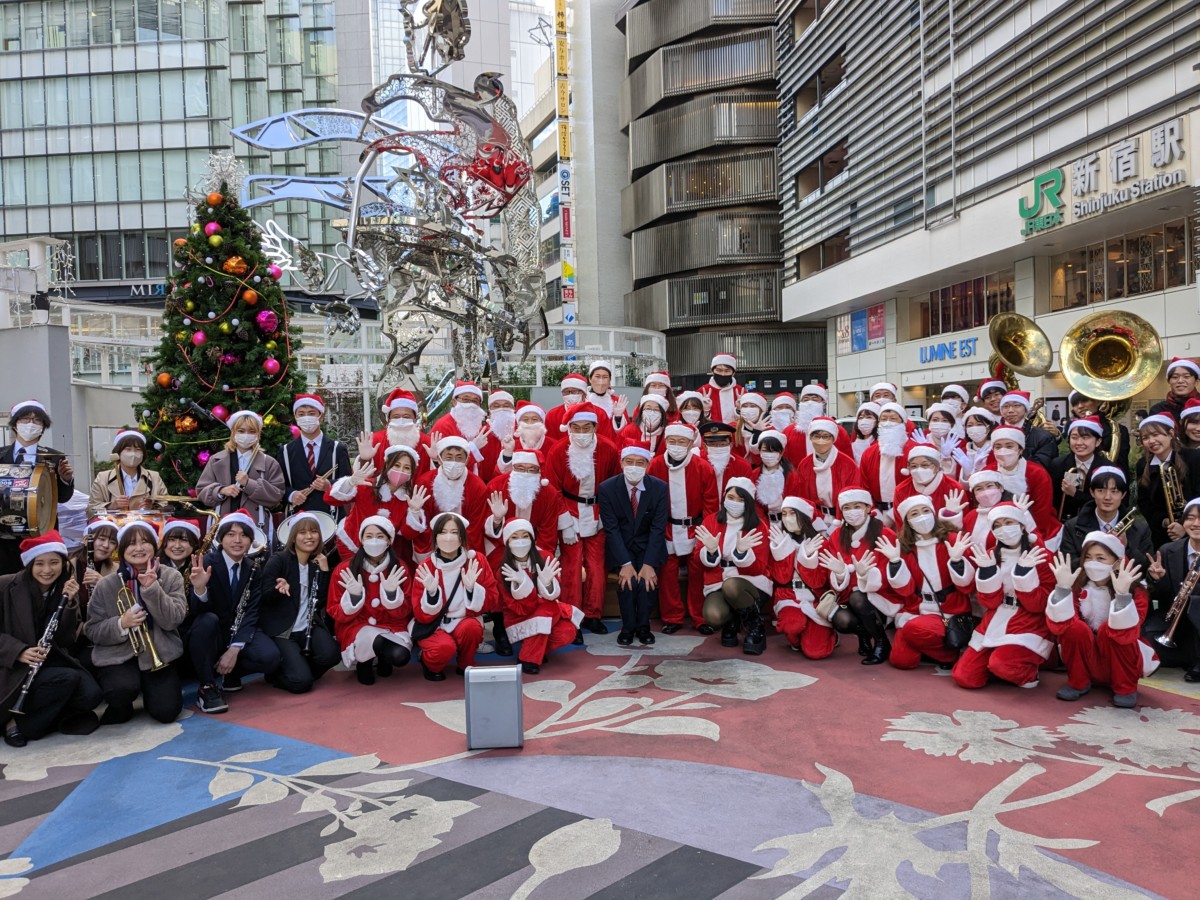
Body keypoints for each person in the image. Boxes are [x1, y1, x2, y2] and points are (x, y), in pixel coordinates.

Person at [0, 531, 99, 746]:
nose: (47, 570)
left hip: (47, 661)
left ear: (63, 563)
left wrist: (69, 604)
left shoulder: (64, 588)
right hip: (11, 666)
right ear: (29, 565)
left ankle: (31, 714)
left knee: (91, 695)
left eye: (54, 563)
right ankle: (15, 724)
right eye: (39, 564)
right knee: (67, 679)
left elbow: (65, 640)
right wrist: (18, 651)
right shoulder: (5, 585)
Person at [85, 520, 187, 724]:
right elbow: (92, 629)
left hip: (159, 653)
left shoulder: (171, 576)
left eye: (144, 542)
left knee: (167, 712)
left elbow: (173, 620)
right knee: (119, 691)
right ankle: (122, 703)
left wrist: (152, 589)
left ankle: (151, 693)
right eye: (131, 543)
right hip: (118, 654)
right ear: (122, 549)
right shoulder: (106, 584)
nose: (138, 548)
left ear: (154, 546)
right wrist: (121, 623)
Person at [953, 502, 1056, 690]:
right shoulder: (991, 555)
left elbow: (1038, 605)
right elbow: (989, 603)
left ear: (1022, 526)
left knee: (1001, 664)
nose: (1003, 529)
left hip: (1028, 621)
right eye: (997, 525)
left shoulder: (1041, 555)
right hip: (996, 618)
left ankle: (1026, 671)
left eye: (1008, 522)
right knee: (964, 677)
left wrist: (1024, 574)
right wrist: (987, 572)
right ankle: (997, 665)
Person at [1047, 534, 1158, 707]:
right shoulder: (1078, 586)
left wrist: (1122, 595)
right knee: (1076, 629)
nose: (1093, 563)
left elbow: (1130, 632)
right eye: (1088, 557)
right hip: (1088, 658)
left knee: (1109, 631)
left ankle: (1125, 688)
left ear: (1117, 562)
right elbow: (1061, 626)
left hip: (1121, 659)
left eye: (1100, 558)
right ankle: (1078, 682)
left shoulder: (1137, 591)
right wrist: (1062, 589)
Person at [188, 508, 280, 714]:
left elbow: (251, 610)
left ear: (251, 540)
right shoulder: (207, 562)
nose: (237, 540)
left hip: (235, 632)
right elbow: (197, 612)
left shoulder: (253, 567)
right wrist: (200, 589)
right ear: (221, 538)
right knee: (207, 621)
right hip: (211, 632)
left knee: (270, 657)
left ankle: (231, 671)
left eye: (244, 535)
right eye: (231, 534)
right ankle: (207, 686)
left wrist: (234, 649)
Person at [877, 495, 975, 671]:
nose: (921, 517)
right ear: (907, 521)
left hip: (949, 609)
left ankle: (947, 655)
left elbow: (966, 586)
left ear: (933, 513)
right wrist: (895, 562)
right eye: (914, 514)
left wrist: (957, 561)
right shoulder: (905, 547)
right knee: (901, 661)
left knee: (912, 629)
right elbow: (905, 590)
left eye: (925, 511)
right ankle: (929, 645)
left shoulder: (951, 540)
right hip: (917, 608)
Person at [545, 404, 619, 635]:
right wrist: (564, 521)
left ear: (595, 427)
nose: (581, 432)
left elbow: (615, 483)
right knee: (572, 566)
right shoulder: (558, 450)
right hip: (569, 511)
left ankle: (593, 615)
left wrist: (607, 515)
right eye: (576, 428)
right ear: (569, 428)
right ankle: (572, 616)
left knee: (597, 566)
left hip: (598, 513)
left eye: (586, 427)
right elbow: (552, 489)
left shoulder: (608, 448)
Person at [816, 488, 902, 665]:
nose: (852, 511)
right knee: (841, 620)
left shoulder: (885, 534)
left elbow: (891, 577)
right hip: (848, 597)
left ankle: (881, 642)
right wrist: (840, 573)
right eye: (847, 508)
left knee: (858, 597)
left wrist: (866, 575)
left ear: (868, 507)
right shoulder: (837, 536)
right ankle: (864, 634)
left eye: (857, 506)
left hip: (880, 598)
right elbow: (835, 578)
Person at [259, 512, 341, 693]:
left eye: (314, 531)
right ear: (293, 537)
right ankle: (280, 675)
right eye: (302, 532)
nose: (309, 536)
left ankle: (300, 670)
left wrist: (325, 571)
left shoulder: (317, 563)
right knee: (301, 684)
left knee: (332, 655)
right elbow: (264, 597)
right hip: (283, 630)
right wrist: (278, 590)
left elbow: (320, 602)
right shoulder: (279, 559)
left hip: (307, 626)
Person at [648, 425, 718, 635]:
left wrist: (706, 532)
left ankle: (700, 617)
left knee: (698, 574)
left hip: (696, 529)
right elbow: (650, 500)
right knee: (667, 574)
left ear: (689, 444)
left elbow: (711, 504)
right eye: (672, 441)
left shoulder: (703, 467)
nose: (676, 446)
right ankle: (672, 617)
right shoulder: (656, 465)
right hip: (667, 528)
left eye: (681, 442)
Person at [410, 513, 498, 680]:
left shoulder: (476, 560)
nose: (448, 537)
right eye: (443, 532)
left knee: (472, 628)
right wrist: (432, 595)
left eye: (454, 532)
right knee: (444, 648)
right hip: (434, 625)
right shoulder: (426, 567)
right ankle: (429, 663)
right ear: (435, 537)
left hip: (464, 621)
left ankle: (466, 664)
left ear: (462, 537)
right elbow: (420, 614)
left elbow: (492, 600)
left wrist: (473, 589)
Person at [328, 516, 412, 685]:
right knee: (367, 676)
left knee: (400, 656)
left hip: (391, 625)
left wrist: (391, 596)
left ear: (389, 541)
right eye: (369, 536)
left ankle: (383, 657)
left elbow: (407, 610)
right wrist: (353, 598)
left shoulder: (399, 568)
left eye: (380, 536)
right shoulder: (345, 569)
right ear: (361, 539)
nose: (374, 541)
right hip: (356, 626)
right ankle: (364, 662)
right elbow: (333, 610)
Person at [598, 446, 668, 646]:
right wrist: (625, 563)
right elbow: (611, 529)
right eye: (629, 462)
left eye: (640, 463)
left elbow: (658, 528)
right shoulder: (607, 488)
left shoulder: (659, 488)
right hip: (621, 546)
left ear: (647, 465)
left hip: (649, 547)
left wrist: (649, 563)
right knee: (627, 582)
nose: (634, 466)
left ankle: (643, 626)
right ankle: (628, 627)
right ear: (621, 463)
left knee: (647, 582)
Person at [693, 477, 770, 653]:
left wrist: (741, 553)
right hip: (718, 581)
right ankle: (732, 621)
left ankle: (755, 626)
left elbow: (759, 568)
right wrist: (710, 551)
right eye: (731, 497)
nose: (735, 503)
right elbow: (698, 561)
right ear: (724, 497)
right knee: (713, 615)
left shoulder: (758, 526)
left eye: (741, 500)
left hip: (750, 584)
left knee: (732, 585)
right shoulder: (711, 521)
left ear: (748, 503)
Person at [0, 400, 76, 576]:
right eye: (25, 419)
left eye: (36, 420)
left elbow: (62, 498)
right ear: (15, 424)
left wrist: (66, 479)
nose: (30, 424)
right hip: (4, 536)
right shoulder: (1, 455)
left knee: (41, 580)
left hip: (41, 532)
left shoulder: (55, 457)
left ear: (43, 427)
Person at [496, 518, 577, 674]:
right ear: (507, 542)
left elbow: (554, 595)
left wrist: (547, 584)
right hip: (519, 617)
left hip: (546, 614)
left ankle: (536, 649)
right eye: (514, 537)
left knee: (567, 631)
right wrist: (524, 585)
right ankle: (527, 658)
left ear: (532, 538)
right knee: (547, 610)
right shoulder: (503, 571)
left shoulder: (545, 557)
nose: (521, 541)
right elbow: (518, 609)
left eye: (525, 536)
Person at [327, 445, 428, 566]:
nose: (401, 471)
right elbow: (330, 499)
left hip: (383, 551)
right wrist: (350, 482)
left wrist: (415, 511)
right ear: (387, 465)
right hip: (351, 544)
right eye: (396, 465)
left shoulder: (409, 499)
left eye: (406, 468)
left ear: (412, 472)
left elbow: (408, 534)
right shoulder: (367, 485)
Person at [195, 410, 286, 538]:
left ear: (258, 434)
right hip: (222, 526)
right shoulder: (216, 460)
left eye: (252, 431)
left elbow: (277, 495)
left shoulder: (269, 463)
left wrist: (249, 484)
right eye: (241, 431)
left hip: (256, 527)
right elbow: (201, 490)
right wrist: (221, 491)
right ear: (233, 432)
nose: (246, 435)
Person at [767, 498, 833, 658]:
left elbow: (818, 582)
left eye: (792, 513)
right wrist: (783, 550)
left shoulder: (820, 542)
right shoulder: (779, 541)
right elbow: (781, 579)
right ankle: (797, 640)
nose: (787, 518)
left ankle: (825, 635)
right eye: (784, 514)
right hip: (788, 595)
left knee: (816, 652)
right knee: (793, 624)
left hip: (814, 598)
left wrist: (806, 557)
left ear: (804, 516)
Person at [1058, 467, 1153, 576]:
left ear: (1123, 495)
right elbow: (1068, 566)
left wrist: (1127, 546)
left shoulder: (1140, 528)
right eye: (1101, 491)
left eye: (1114, 491)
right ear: (1092, 492)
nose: (1107, 497)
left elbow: (1145, 569)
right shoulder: (1072, 526)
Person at [1146, 498, 1200, 680]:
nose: (1196, 524)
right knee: (1146, 641)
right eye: (1190, 518)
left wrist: (1192, 594)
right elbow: (1161, 597)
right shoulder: (1168, 550)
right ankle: (1189, 656)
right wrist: (1157, 579)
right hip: (1172, 621)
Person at [986, 425, 1061, 549]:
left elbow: (1042, 511)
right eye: (998, 447)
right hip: (997, 527)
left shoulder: (1037, 473)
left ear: (1020, 449)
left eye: (1009, 446)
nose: (1003, 451)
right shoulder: (988, 472)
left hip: (1033, 525)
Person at [278, 393, 352, 518]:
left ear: (321, 416)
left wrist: (329, 485)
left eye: (311, 413)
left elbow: (349, 483)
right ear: (295, 417)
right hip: (298, 517)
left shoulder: (337, 449)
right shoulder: (285, 451)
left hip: (331, 516)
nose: (306, 418)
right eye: (301, 414)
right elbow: (279, 486)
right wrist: (291, 495)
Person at [413, 436, 490, 552]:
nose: (454, 462)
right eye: (449, 457)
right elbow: (424, 524)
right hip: (432, 546)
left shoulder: (477, 487)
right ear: (439, 459)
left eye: (459, 458)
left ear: (467, 460)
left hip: (464, 546)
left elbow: (475, 527)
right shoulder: (425, 482)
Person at [1135, 413, 1200, 549]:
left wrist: (1184, 524)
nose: (1151, 441)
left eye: (1156, 435)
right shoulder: (1143, 464)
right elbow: (1144, 502)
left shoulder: (1194, 458)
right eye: (1145, 438)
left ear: (1171, 434)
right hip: (1162, 533)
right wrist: (1165, 522)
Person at [792, 419, 862, 530]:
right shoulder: (805, 464)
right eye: (816, 436)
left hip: (842, 519)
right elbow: (803, 497)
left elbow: (853, 496)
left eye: (826, 437)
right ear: (810, 438)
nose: (821, 441)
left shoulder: (847, 464)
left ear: (833, 439)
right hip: (816, 519)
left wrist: (839, 521)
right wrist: (816, 521)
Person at [858, 402, 914, 528]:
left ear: (903, 423)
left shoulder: (914, 451)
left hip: (907, 513)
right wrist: (873, 511)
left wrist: (895, 513)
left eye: (893, 419)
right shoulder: (868, 453)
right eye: (884, 419)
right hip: (877, 515)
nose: (888, 423)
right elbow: (863, 486)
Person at [87, 430, 167, 516]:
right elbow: (90, 510)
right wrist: (111, 506)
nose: (133, 454)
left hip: (146, 523)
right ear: (118, 453)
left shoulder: (154, 477)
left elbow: (165, 504)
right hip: (113, 523)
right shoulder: (103, 478)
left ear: (143, 454)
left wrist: (152, 507)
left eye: (138, 450)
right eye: (128, 449)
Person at [1048, 417, 1113, 521]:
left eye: (1085, 438)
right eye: (1074, 437)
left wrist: (1075, 494)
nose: (1079, 442)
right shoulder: (1058, 465)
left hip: (1096, 522)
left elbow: (1107, 502)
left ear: (1098, 441)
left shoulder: (1107, 468)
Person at [359, 388, 432, 477]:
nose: (401, 420)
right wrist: (364, 459)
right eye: (396, 417)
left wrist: (436, 460)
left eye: (406, 416)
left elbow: (436, 477)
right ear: (389, 419)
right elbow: (361, 479)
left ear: (414, 419)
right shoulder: (375, 440)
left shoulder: (427, 442)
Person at [892, 444, 967, 526]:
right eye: (914, 466)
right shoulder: (901, 490)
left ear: (936, 467)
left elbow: (963, 522)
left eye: (925, 465)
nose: (918, 470)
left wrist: (950, 515)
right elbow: (901, 524)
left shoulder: (954, 488)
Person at [782, 384, 853, 464]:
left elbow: (847, 460)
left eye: (814, 399)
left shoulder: (838, 431)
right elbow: (784, 462)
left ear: (824, 404)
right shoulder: (788, 432)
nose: (809, 403)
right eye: (805, 399)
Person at [1069, 390, 1130, 472]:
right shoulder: (1071, 428)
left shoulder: (1119, 430)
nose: (1080, 406)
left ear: (1098, 402)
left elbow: (1122, 465)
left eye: (1084, 401)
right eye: (1075, 404)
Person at [753, 429, 806, 524]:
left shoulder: (792, 476)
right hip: (763, 523)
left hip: (789, 522)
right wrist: (764, 524)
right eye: (765, 450)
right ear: (759, 451)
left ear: (781, 452)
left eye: (773, 451)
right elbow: (753, 504)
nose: (769, 455)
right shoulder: (754, 475)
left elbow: (797, 502)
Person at [997, 391, 1057, 469]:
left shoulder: (1043, 437)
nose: (1010, 410)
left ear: (1026, 409)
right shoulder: (994, 434)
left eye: (1016, 405)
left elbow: (1042, 465)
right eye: (1006, 406)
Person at [545, 373, 615, 440]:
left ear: (584, 393)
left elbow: (606, 440)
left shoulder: (599, 413)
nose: (570, 395)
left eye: (574, 391)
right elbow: (551, 442)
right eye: (566, 392)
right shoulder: (553, 415)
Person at [699, 421, 752, 496]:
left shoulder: (743, 466)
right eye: (713, 445)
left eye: (722, 444)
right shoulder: (697, 463)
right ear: (705, 446)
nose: (718, 448)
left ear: (731, 445)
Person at [696, 353, 745, 425]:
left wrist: (739, 410)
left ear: (733, 373)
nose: (723, 374)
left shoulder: (741, 391)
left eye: (727, 371)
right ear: (712, 371)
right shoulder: (702, 391)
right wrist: (706, 411)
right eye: (719, 370)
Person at [585, 360, 630, 433]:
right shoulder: (583, 400)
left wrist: (618, 418)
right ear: (590, 379)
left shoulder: (617, 401)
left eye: (605, 377)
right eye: (597, 376)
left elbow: (626, 432)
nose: (601, 381)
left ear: (610, 380)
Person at [958, 407, 999, 479]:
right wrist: (966, 474)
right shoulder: (963, 452)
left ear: (989, 427)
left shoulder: (996, 450)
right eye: (970, 425)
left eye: (979, 424)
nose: (974, 428)